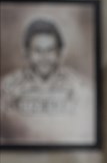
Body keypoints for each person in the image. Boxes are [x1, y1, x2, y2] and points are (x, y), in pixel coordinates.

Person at [0, 17, 94, 145]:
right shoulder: (7, 88)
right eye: (38, 51)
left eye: (50, 50)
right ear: (26, 52)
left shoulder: (80, 88)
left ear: (60, 52)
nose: (44, 57)